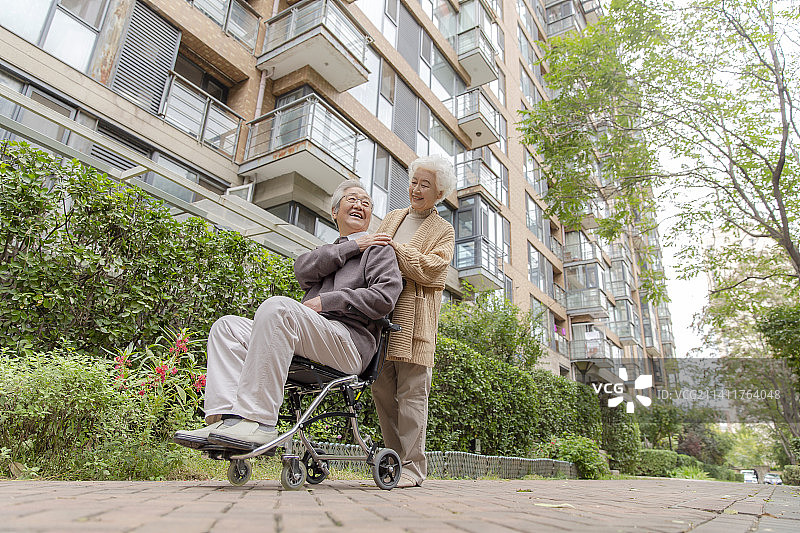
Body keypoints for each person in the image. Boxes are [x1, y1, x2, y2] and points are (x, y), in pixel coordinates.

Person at [174, 180, 402, 451]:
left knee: (278, 307)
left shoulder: (379, 249)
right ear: (334, 211)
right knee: (227, 327)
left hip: (348, 343)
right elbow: (302, 270)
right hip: (312, 339)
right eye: (352, 199)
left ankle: (258, 421)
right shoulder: (329, 254)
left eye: (366, 203)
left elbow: (385, 298)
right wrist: (352, 247)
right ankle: (223, 420)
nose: (360, 206)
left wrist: (326, 301)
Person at [371, 154, 456, 488]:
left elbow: (434, 271)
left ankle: (414, 468)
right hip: (381, 318)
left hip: (415, 323)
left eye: (426, 185)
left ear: (439, 194)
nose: (417, 189)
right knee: (381, 390)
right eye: (414, 182)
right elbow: (373, 256)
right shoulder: (392, 217)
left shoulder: (443, 230)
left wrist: (397, 252)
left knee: (412, 395)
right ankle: (393, 463)